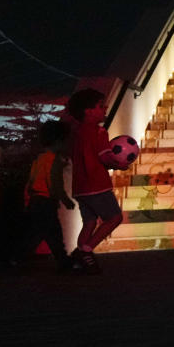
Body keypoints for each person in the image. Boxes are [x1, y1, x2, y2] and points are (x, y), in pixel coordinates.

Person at [66, 88, 123, 274]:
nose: (105, 108)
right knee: (114, 217)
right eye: (100, 106)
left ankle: (79, 260)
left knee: (89, 223)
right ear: (88, 111)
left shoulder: (76, 133)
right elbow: (105, 157)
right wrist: (120, 164)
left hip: (80, 187)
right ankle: (85, 251)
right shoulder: (99, 132)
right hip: (97, 185)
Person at [12, 120, 75, 271]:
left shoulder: (39, 159)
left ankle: (18, 258)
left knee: (39, 232)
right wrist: (65, 200)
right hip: (46, 202)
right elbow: (55, 182)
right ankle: (63, 261)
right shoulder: (54, 161)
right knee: (51, 233)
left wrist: (28, 200)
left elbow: (31, 181)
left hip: (35, 201)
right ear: (59, 141)